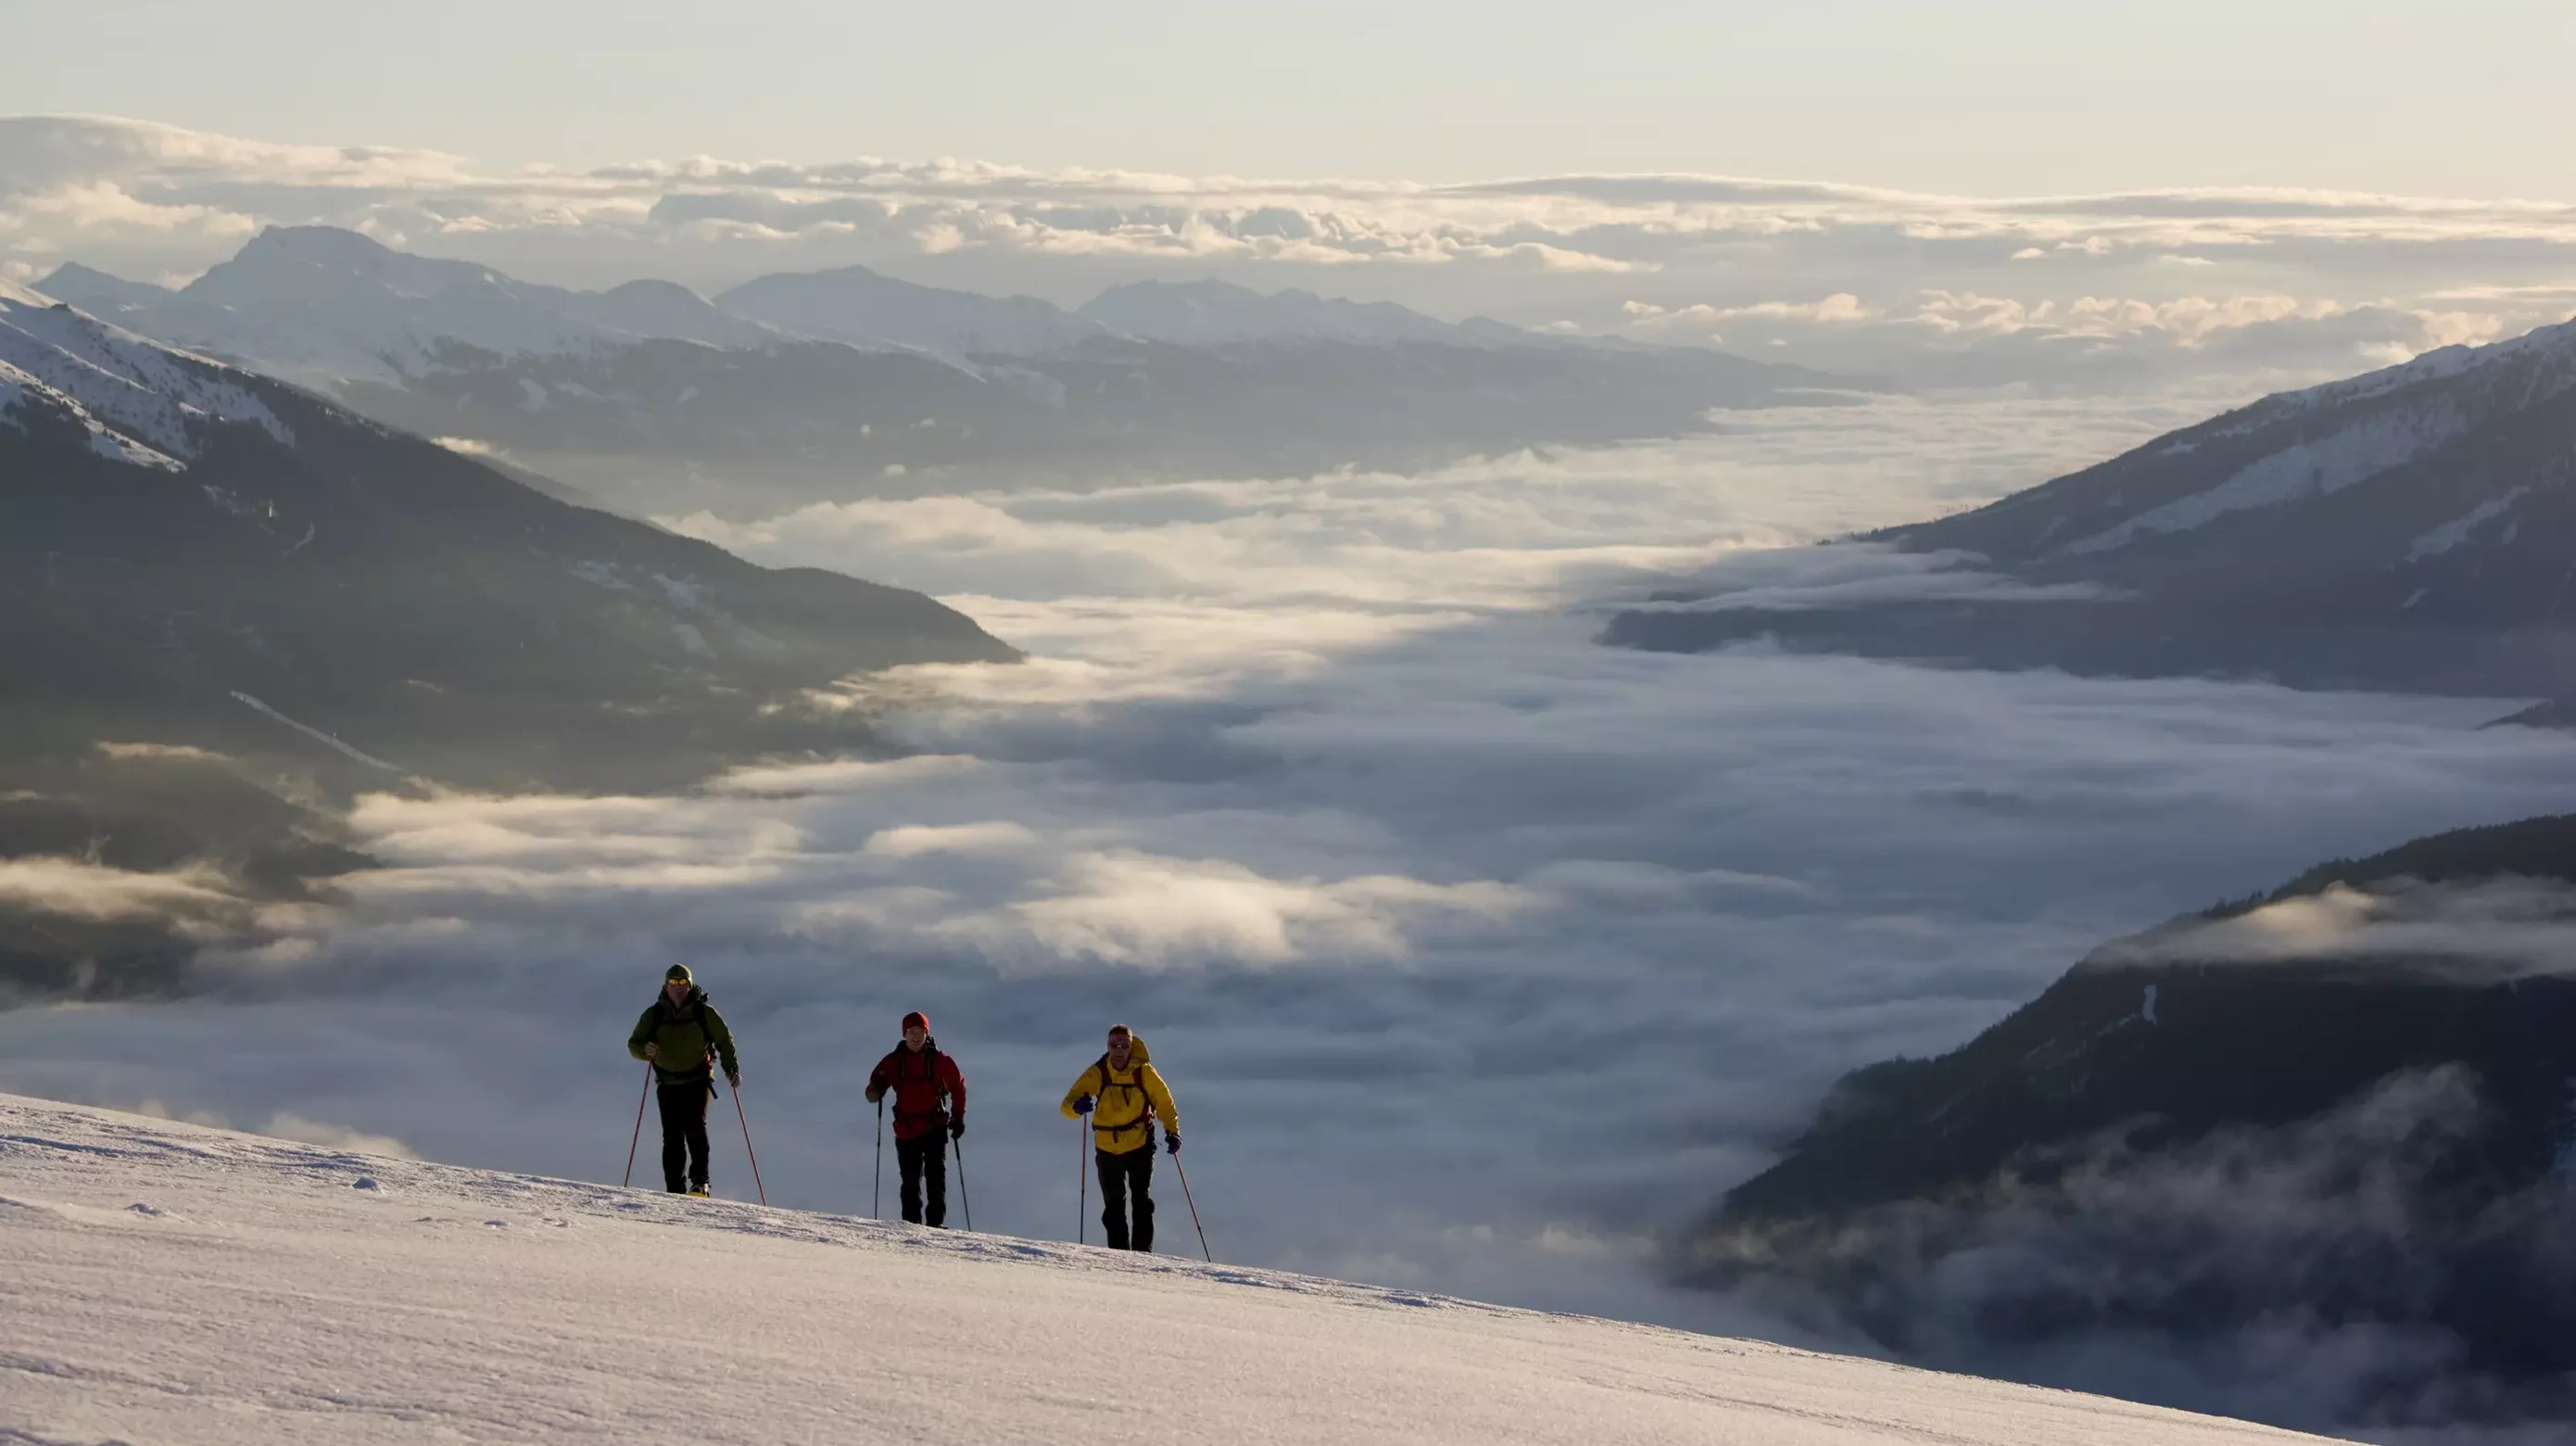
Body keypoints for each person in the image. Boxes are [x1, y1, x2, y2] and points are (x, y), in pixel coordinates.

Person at [1060, 1023, 1180, 1251]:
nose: (1118, 1050)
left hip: (1140, 1143)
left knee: (1141, 1201)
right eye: (1114, 1045)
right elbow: (1066, 1105)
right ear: (1107, 1046)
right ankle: (1119, 1256)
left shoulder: (1144, 1072)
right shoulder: (1098, 1072)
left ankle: (1142, 1255)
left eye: (1124, 1046)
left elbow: (1165, 1103)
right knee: (1114, 1205)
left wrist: (1172, 1131)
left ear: (1131, 1047)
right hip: (1107, 1147)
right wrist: (1076, 1107)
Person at [626, 964, 739, 1197]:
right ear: (666, 986)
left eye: (683, 983)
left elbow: (724, 1040)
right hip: (667, 1082)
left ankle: (699, 1182)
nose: (678, 987)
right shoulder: (654, 1015)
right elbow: (634, 1044)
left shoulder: (703, 1013)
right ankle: (675, 1190)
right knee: (672, 1136)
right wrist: (645, 1051)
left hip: (697, 1079)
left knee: (695, 1127)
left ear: (690, 985)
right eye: (674, 983)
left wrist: (731, 1069)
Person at [865, 1010, 967, 1227]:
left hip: (933, 1127)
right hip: (907, 1129)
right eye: (911, 1032)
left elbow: (958, 1088)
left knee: (935, 1178)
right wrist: (875, 1090)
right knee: (910, 1181)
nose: (916, 1036)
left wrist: (958, 1118)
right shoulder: (894, 1062)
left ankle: (933, 1226)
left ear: (926, 1033)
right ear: (904, 1034)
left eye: (920, 1031)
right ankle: (912, 1226)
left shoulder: (939, 1061)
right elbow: (875, 1085)